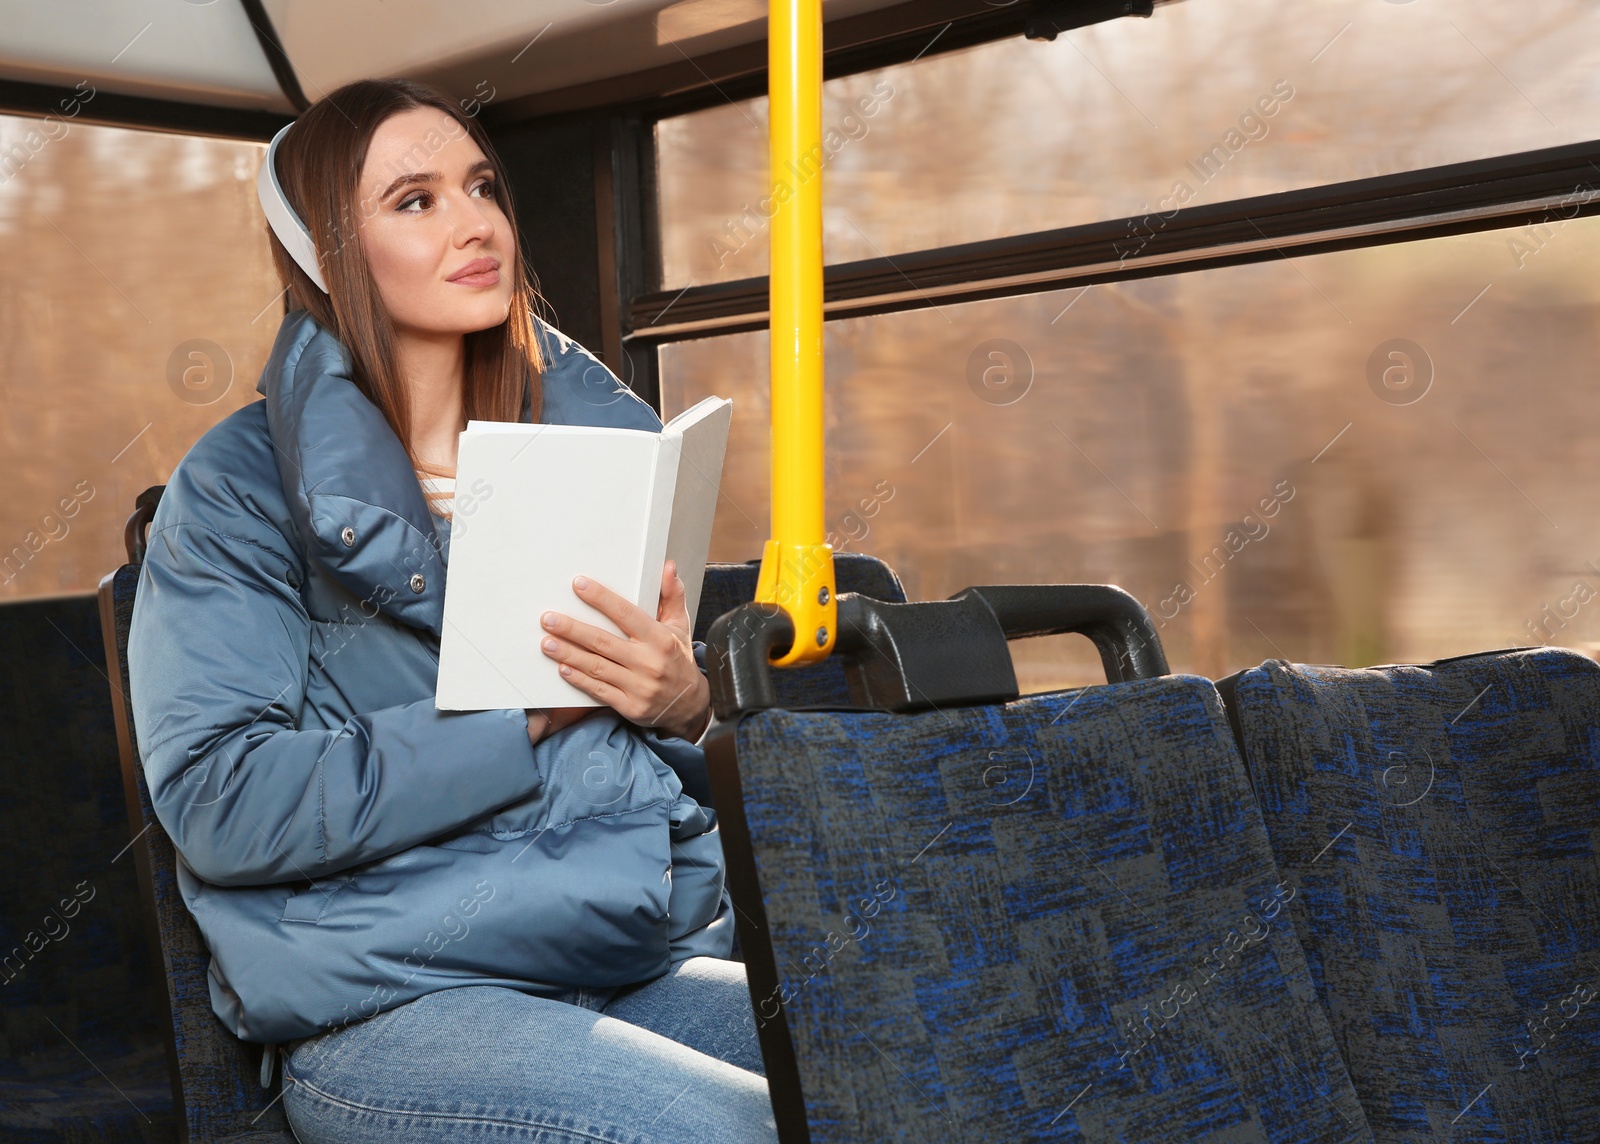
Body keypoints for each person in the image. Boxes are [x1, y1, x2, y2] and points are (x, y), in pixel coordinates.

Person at [126, 77, 778, 1142]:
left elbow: (646, 768)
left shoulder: (591, 458)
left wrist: (684, 705)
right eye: (415, 200)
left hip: (626, 948)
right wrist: (512, 718)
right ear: (330, 252)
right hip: (390, 1005)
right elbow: (220, 800)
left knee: (901, 1068)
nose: (476, 222)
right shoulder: (235, 489)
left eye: (481, 186)